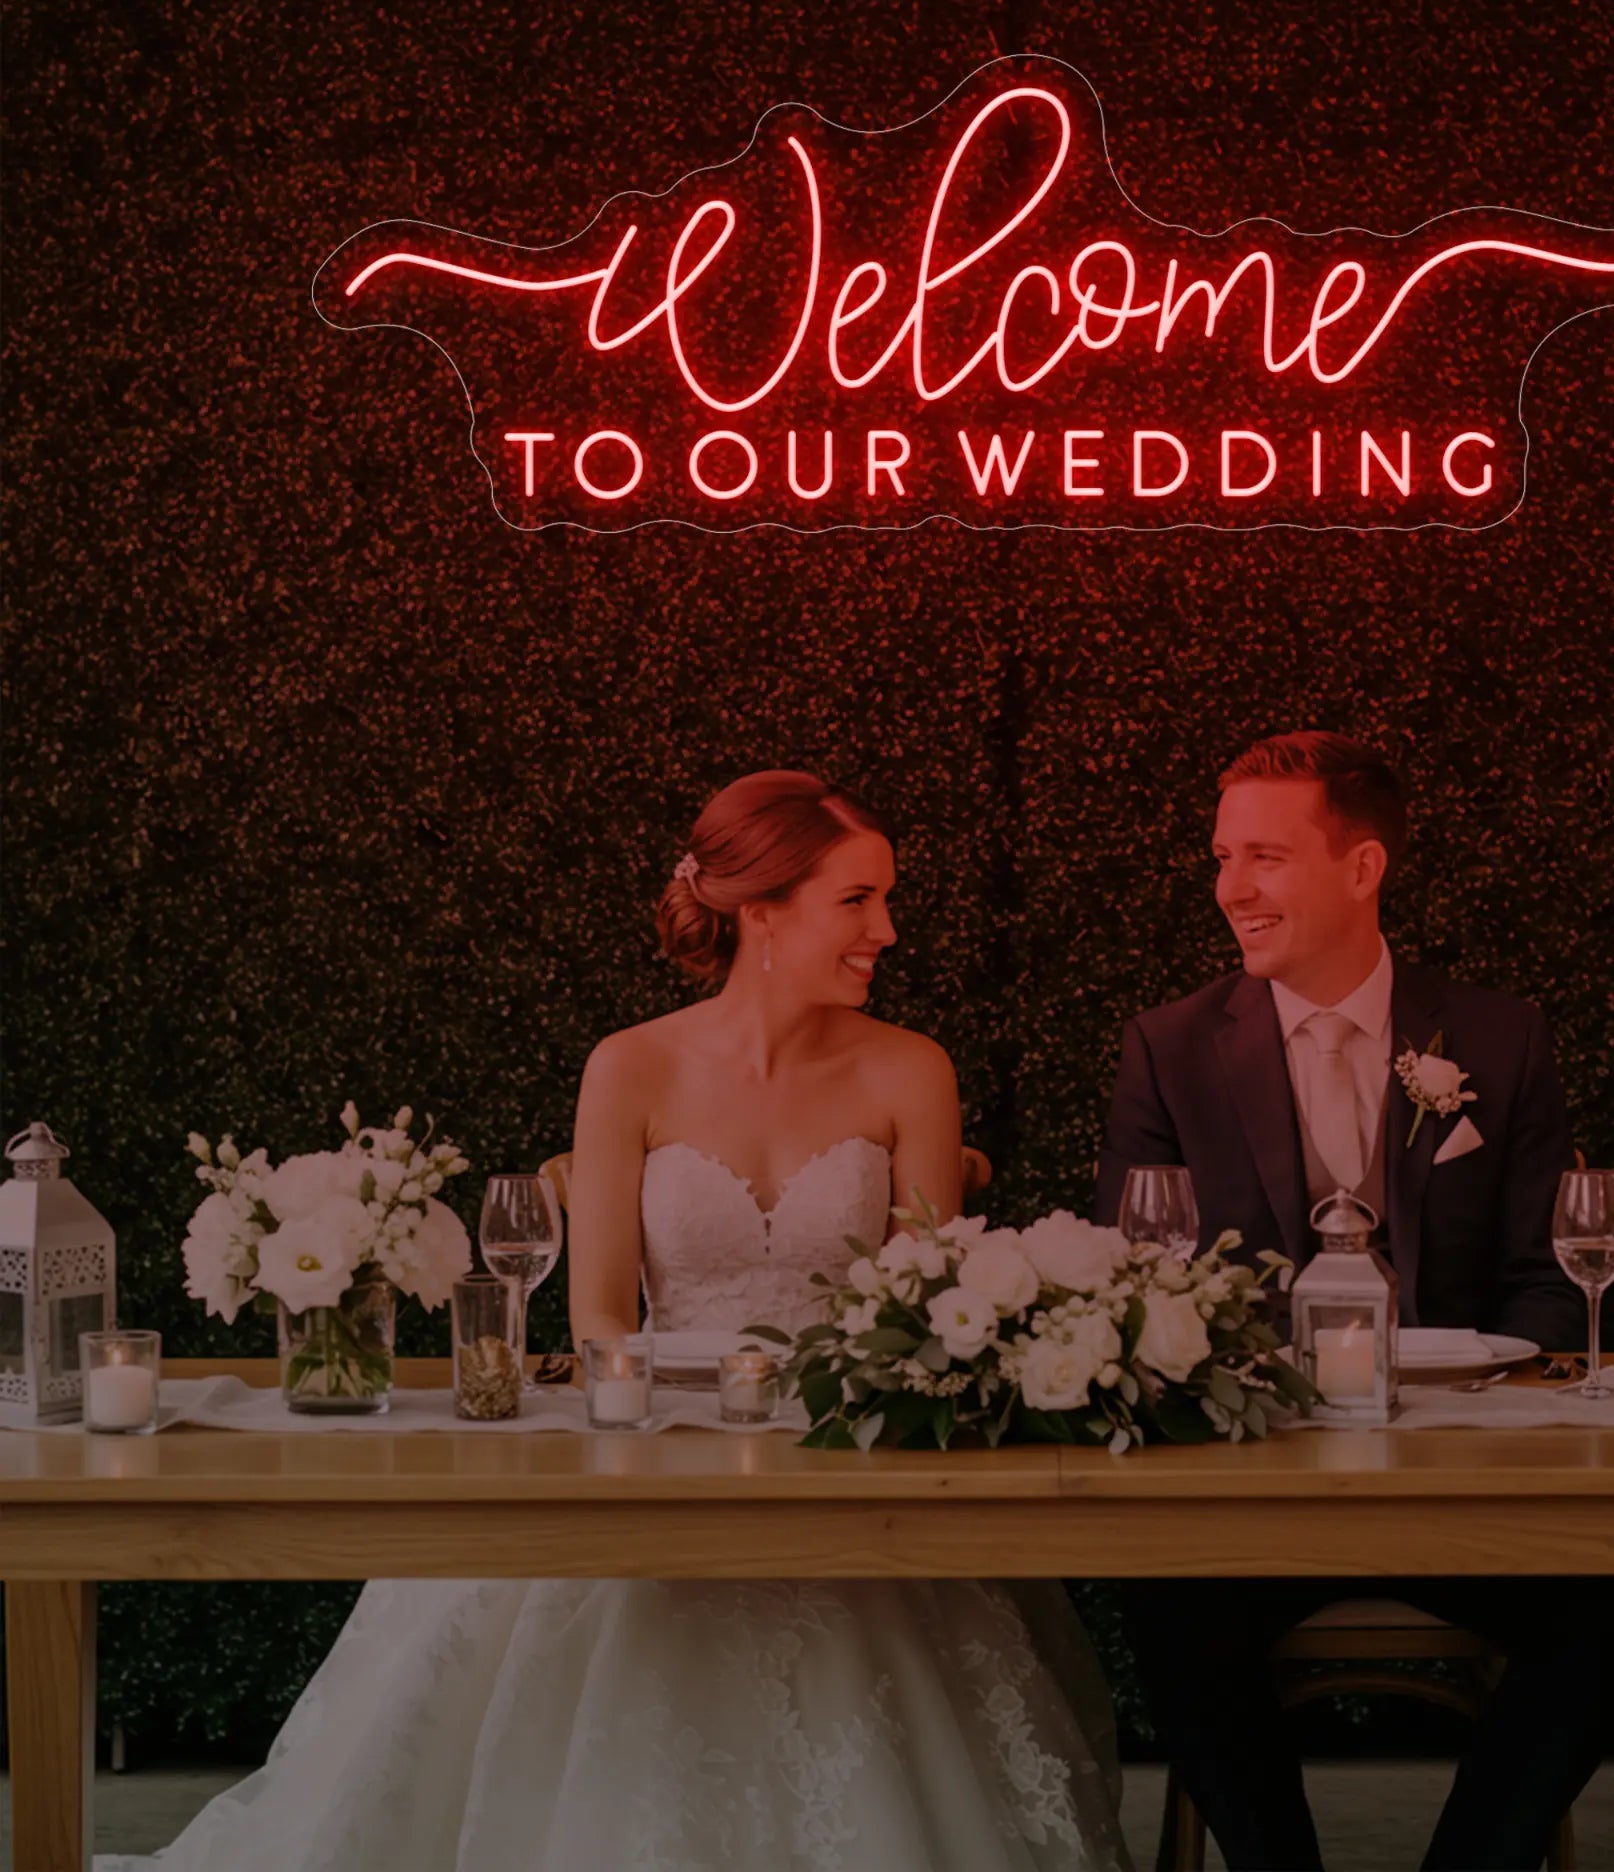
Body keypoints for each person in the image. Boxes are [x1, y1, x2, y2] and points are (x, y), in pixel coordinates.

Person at [121, 770, 1127, 1872]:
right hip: (647, 1429)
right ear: (761, 911)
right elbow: (599, 1307)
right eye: (857, 899)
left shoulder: (912, 1068)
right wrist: (660, 1432)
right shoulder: (630, 1064)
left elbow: (923, 1308)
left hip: (842, 1449)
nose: (886, 928)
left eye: (885, 899)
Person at [1096, 731, 1614, 1872]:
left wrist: (1460, 1386)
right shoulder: (1170, 1047)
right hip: (1254, 1491)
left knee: (1607, 1621)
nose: (1231, 886)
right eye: (1223, 855)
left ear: (1362, 865)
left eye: (1265, 856)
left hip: (1462, 1477)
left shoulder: (1494, 1036)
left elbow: (1544, 1277)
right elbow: (1133, 1283)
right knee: (1172, 1614)